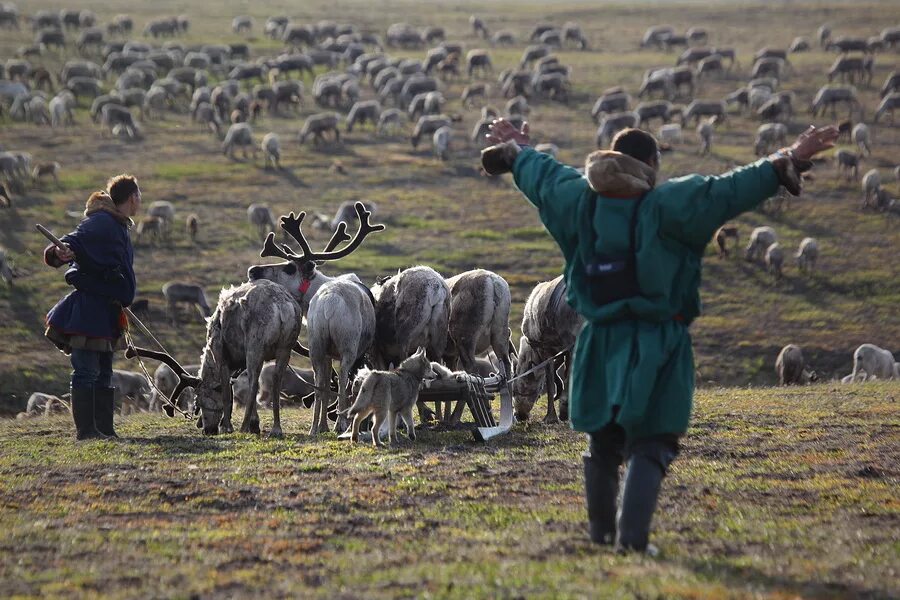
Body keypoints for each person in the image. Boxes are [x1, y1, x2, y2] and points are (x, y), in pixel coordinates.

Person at [483, 121, 837, 553]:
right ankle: (632, 542)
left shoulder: (580, 202)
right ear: (651, 164)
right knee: (652, 442)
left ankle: (601, 536)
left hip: (598, 340)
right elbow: (728, 190)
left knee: (604, 441)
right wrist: (788, 157)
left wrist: (518, 150)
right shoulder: (669, 206)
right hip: (657, 342)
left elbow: (544, 176)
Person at [44, 175, 141, 440]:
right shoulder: (101, 222)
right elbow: (71, 241)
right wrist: (58, 252)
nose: (140, 202)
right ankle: (87, 432)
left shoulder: (117, 225)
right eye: (139, 197)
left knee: (104, 371)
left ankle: (104, 429)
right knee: (86, 370)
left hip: (107, 310)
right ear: (132, 197)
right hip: (89, 310)